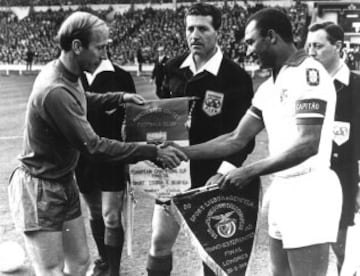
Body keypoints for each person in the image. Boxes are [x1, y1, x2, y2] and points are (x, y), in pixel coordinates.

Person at [7, 11, 186, 276]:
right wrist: (152, 151)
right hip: (40, 187)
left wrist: (119, 97)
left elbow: (83, 97)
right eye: (99, 48)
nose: (104, 55)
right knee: (51, 270)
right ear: (77, 46)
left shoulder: (67, 73)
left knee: (79, 265)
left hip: (63, 180)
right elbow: (94, 146)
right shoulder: (54, 89)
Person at [176, 8, 342, 276]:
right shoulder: (267, 88)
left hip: (310, 189)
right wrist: (181, 152)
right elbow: (235, 138)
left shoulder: (310, 74)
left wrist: (250, 170)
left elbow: (308, 144)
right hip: (282, 187)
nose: (249, 51)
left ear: (272, 36)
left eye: (251, 42)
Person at [146, 3, 259, 276]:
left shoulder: (235, 77)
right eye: (190, 28)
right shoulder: (172, 68)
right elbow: (163, 120)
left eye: (202, 29)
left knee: (213, 255)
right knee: (159, 243)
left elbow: (243, 138)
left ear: (217, 32)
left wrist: (223, 173)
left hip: (213, 177)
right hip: (173, 174)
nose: (194, 35)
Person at [76, 51, 137, 276]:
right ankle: (103, 260)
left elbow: (133, 120)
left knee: (111, 216)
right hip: (82, 158)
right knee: (94, 212)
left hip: (112, 156)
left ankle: (114, 270)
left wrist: (130, 160)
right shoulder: (74, 75)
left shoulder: (120, 77)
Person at [306, 21, 360, 273]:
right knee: (307, 247)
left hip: (344, 179)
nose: (311, 52)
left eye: (317, 45)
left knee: (342, 249)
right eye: (308, 46)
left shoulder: (357, 86)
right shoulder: (305, 86)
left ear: (337, 46)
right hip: (307, 178)